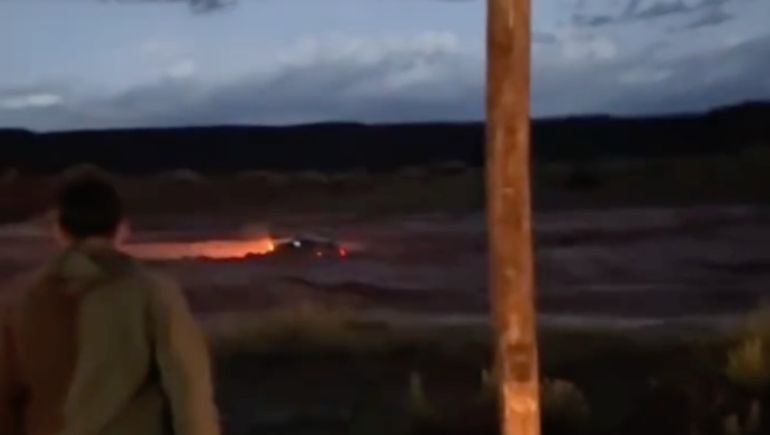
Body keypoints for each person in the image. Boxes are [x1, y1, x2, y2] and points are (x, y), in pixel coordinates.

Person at [0, 169, 220, 435]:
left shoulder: (19, 298)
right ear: (122, 229)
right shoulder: (152, 293)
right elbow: (188, 390)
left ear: (59, 230)